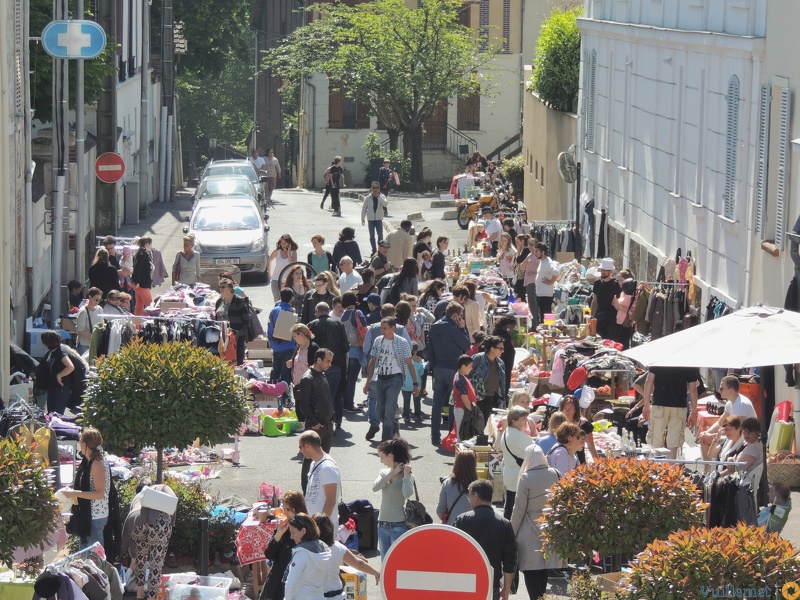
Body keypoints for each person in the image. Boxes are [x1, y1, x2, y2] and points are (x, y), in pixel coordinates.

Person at [511, 445, 565, 600]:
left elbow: (519, 510)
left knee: (530, 569)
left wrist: (510, 532)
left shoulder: (526, 478)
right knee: (544, 567)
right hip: (550, 526)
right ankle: (541, 597)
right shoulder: (556, 474)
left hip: (530, 528)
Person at [454, 480, 517, 600]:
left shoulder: (462, 520)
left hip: (465, 582)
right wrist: (506, 589)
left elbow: (453, 553)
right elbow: (510, 560)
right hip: (490, 582)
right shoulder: (504, 524)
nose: (468, 499)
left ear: (476, 496)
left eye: (470, 495)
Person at [363, 317, 419, 441]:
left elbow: (409, 363)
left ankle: (386, 442)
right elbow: (372, 362)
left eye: (385, 328)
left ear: (393, 328)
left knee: (389, 412)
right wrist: (367, 382)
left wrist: (415, 384)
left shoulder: (402, 342)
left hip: (395, 380)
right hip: (380, 379)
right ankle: (394, 426)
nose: (382, 331)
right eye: (381, 328)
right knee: (379, 412)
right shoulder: (378, 341)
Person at [120, 481, 177, 600]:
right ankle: (152, 598)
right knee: (156, 563)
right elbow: (173, 501)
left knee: (141, 558)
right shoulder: (163, 487)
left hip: (134, 521)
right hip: (159, 521)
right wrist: (171, 521)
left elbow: (135, 558)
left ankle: (139, 595)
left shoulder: (137, 496)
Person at [428, 302, 471, 445]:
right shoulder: (454, 329)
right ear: (455, 315)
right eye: (460, 315)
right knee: (454, 404)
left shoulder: (435, 326)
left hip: (439, 368)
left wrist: (435, 366)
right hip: (453, 369)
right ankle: (450, 436)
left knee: (437, 404)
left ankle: (435, 436)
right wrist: (463, 328)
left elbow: (431, 350)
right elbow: (466, 345)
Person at [60, 427, 110, 549]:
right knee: (86, 556)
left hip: (95, 517)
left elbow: (99, 494)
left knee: (93, 557)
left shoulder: (97, 463)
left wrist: (74, 493)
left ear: (84, 444)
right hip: (89, 515)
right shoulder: (89, 461)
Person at [313, 513, 381, 599]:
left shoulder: (308, 550)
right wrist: (376, 573)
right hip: (338, 595)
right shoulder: (338, 547)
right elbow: (359, 564)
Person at [297, 350, 336, 490]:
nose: (330, 364)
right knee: (309, 461)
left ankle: (319, 490)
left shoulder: (323, 375)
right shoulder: (308, 378)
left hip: (327, 426)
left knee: (323, 461)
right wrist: (314, 423)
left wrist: (332, 419)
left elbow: (328, 399)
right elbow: (304, 405)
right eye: (328, 361)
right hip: (316, 428)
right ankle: (307, 490)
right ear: (319, 360)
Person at [642, 366, 700, 459]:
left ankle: (655, 467)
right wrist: (693, 412)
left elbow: (649, 381)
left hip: (659, 404)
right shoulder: (688, 363)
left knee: (655, 441)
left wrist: (646, 405)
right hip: (679, 405)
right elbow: (693, 389)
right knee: (674, 442)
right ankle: (671, 468)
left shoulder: (659, 360)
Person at [308, 303, 349, 430]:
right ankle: (337, 421)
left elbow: (308, 346)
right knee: (337, 394)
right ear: (328, 311)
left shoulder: (312, 325)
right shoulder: (338, 324)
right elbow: (346, 346)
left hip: (318, 367)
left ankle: (325, 422)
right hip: (336, 365)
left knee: (320, 395)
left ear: (317, 311)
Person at [373, 437, 415, 559]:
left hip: (398, 525)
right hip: (382, 524)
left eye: (382, 457)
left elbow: (407, 493)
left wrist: (406, 475)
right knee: (384, 562)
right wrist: (392, 473)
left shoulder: (407, 475)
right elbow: (375, 487)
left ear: (390, 456)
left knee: (397, 561)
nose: (381, 461)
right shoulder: (383, 472)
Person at [262, 490, 308, 600]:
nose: (285, 513)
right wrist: (279, 533)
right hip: (277, 581)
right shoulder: (283, 527)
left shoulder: (307, 529)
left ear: (297, 509)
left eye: (288, 510)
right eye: (284, 509)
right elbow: (269, 554)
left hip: (297, 584)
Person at [697, 375, 757, 453]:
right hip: (735, 435)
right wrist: (707, 432)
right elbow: (720, 423)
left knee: (706, 438)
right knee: (703, 438)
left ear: (731, 391)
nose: (718, 391)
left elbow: (736, 430)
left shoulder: (742, 404)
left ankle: (713, 463)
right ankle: (708, 465)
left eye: (721, 388)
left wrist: (713, 436)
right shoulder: (729, 403)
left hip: (745, 438)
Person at [497, 406, 534, 519]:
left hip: (510, 473)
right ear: (514, 420)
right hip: (517, 476)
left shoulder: (508, 431)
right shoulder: (517, 435)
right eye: (523, 419)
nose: (526, 421)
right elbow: (535, 450)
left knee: (509, 505)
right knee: (514, 508)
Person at [283, 513, 332, 600]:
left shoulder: (301, 553)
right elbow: (327, 577)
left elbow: (290, 583)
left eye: (293, 532)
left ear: (303, 531)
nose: (291, 536)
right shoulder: (325, 548)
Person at [298, 431, 340, 519]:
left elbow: (331, 501)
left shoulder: (328, 467)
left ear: (307, 446)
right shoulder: (314, 463)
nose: (300, 450)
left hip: (324, 527)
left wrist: (321, 525)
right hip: (313, 523)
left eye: (300, 447)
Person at [340, 292, 368, 412]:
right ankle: (350, 404)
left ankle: (345, 402)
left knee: (347, 378)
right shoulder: (357, 313)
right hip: (356, 349)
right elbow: (364, 329)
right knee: (352, 378)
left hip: (346, 350)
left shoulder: (343, 315)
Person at [437, 448, 478, 525]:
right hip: (472, 529)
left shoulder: (447, 484)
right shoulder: (479, 486)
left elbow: (440, 511)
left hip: (453, 528)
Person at [471, 336, 507, 422]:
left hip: (491, 396)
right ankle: (479, 435)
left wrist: (501, 401)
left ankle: (480, 434)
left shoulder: (500, 363)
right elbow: (467, 374)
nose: (503, 351)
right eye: (500, 348)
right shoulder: (478, 358)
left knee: (485, 419)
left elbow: (502, 384)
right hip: (477, 396)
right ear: (492, 349)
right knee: (477, 420)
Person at [214, 278, 250, 364]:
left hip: (236, 335)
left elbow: (246, 318)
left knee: (236, 358)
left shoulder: (238, 300)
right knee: (223, 357)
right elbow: (216, 317)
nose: (221, 289)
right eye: (220, 287)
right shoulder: (219, 301)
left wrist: (238, 331)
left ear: (230, 288)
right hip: (222, 335)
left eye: (223, 287)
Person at [727, 417, 764, 499]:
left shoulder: (753, 448)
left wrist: (730, 460)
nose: (746, 434)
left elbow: (737, 468)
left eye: (750, 432)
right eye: (744, 431)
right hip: (746, 483)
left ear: (757, 433)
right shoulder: (755, 443)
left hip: (744, 486)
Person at [268, 288, 298, 385]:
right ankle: (285, 395)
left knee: (275, 371)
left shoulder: (274, 311)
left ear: (280, 297)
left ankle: (273, 394)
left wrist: (272, 343)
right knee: (286, 374)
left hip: (276, 347)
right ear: (291, 299)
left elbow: (270, 329)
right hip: (289, 347)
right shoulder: (292, 311)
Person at [41, 330, 74, 414]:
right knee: (51, 414)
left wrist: (59, 375)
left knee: (57, 416)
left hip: (60, 389)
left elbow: (70, 366)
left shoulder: (60, 352)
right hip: (53, 387)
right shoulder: (52, 351)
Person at [558, 395, 599, 463]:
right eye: (565, 408)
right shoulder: (558, 422)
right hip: (562, 460)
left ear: (575, 410)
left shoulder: (583, 424)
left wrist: (598, 464)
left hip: (579, 461)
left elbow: (591, 446)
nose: (567, 411)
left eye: (570, 409)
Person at [591, 257, 622, 340]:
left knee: (610, 342)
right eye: (602, 270)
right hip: (599, 317)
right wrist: (592, 317)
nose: (603, 272)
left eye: (605, 270)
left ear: (610, 271)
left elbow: (619, 302)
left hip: (611, 319)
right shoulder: (597, 283)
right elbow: (594, 302)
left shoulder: (616, 284)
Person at [287, 324, 319, 400]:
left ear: (301, 334)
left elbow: (317, 367)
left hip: (308, 387)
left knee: (307, 409)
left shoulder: (313, 347)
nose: (293, 339)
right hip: (297, 386)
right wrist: (290, 364)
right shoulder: (298, 347)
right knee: (299, 410)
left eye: (294, 336)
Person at [492, 315, 517, 401]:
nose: (514, 328)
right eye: (513, 326)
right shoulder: (505, 336)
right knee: (503, 385)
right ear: (509, 325)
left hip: (500, 365)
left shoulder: (496, 332)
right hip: (504, 366)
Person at [533, 242, 559, 324]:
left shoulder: (548, 262)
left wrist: (551, 282)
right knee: (542, 316)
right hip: (540, 294)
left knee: (546, 316)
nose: (535, 253)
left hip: (546, 295)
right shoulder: (542, 262)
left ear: (543, 252)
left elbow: (556, 272)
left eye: (537, 251)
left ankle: (548, 332)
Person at [453, 354, 477, 441]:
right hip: (463, 410)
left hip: (463, 410)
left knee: (462, 436)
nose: (471, 368)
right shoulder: (460, 380)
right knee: (462, 437)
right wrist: (473, 411)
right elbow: (465, 399)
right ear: (463, 366)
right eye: (470, 366)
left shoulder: (461, 377)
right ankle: (461, 454)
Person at [269, 234, 299, 302]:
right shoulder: (277, 251)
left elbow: (293, 265)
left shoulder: (293, 252)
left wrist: (288, 254)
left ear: (289, 243)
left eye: (285, 243)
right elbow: (269, 261)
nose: (283, 245)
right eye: (282, 243)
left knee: (288, 301)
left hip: (288, 282)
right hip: (276, 281)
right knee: (278, 301)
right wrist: (269, 274)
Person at [74, 287, 104, 356]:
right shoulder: (83, 311)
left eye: (100, 300)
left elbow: (102, 324)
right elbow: (79, 331)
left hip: (96, 343)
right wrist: (93, 336)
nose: (98, 302)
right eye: (96, 300)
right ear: (90, 297)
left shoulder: (99, 309)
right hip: (84, 344)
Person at [401, 343, 426, 422]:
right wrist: (421, 363)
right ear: (416, 351)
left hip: (405, 383)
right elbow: (422, 373)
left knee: (406, 400)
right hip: (416, 384)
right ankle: (417, 415)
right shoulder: (418, 362)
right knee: (417, 400)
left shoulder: (405, 360)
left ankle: (406, 415)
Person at [131, 237, 154, 316]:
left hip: (139, 283)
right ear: (147, 244)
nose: (151, 246)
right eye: (150, 244)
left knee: (139, 305)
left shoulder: (140, 252)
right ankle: (148, 323)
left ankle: (137, 323)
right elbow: (137, 267)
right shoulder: (143, 253)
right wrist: (137, 281)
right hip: (142, 283)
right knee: (150, 305)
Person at [523, 237, 540, 327]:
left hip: (534, 282)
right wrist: (528, 257)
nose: (530, 246)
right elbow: (522, 267)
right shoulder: (530, 255)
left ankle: (535, 325)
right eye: (529, 244)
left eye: (532, 244)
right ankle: (534, 324)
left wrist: (534, 272)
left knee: (533, 304)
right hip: (528, 282)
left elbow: (540, 269)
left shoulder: (537, 256)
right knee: (530, 303)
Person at [512, 234, 531, 301]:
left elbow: (519, 260)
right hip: (520, 274)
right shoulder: (523, 250)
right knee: (521, 294)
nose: (516, 244)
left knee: (519, 292)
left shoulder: (526, 250)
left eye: (517, 242)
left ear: (522, 241)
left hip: (523, 274)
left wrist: (518, 250)